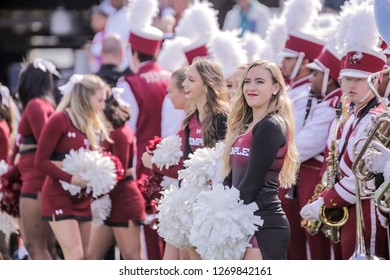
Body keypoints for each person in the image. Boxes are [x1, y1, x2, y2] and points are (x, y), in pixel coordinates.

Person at [222, 60, 300, 260]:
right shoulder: (243, 126)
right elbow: (231, 178)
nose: (251, 87)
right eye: (247, 82)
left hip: (263, 224)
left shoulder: (271, 126)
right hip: (241, 220)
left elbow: (251, 183)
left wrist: (221, 214)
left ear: (275, 88)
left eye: (259, 82)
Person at [35, 74, 111, 260]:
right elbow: (40, 161)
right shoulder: (59, 119)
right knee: (75, 256)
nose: (103, 106)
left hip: (82, 197)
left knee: (86, 257)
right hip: (58, 196)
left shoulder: (91, 122)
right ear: (85, 97)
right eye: (99, 100)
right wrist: (72, 179)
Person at [278, 31, 325, 260]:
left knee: (305, 249)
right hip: (287, 170)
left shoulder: (308, 94)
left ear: (304, 61)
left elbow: (295, 140)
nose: (282, 63)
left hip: (298, 172)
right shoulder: (294, 91)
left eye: (288, 59)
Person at [86, 88, 145, 260]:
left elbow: (118, 169)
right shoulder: (109, 131)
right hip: (108, 200)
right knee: (91, 257)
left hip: (124, 200)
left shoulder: (119, 132)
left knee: (132, 259)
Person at [141, 67, 191, 260]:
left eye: (170, 91)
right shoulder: (186, 120)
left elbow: (188, 167)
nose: (167, 96)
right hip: (177, 197)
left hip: (187, 200)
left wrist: (154, 164)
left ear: (185, 91)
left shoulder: (196, 123)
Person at [17, 59, 61, 260]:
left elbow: (46, 142)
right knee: (47, 247)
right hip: (38, 180)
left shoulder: (35, 105)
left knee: (35, 247)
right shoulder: (44, 105)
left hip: (35, 183)